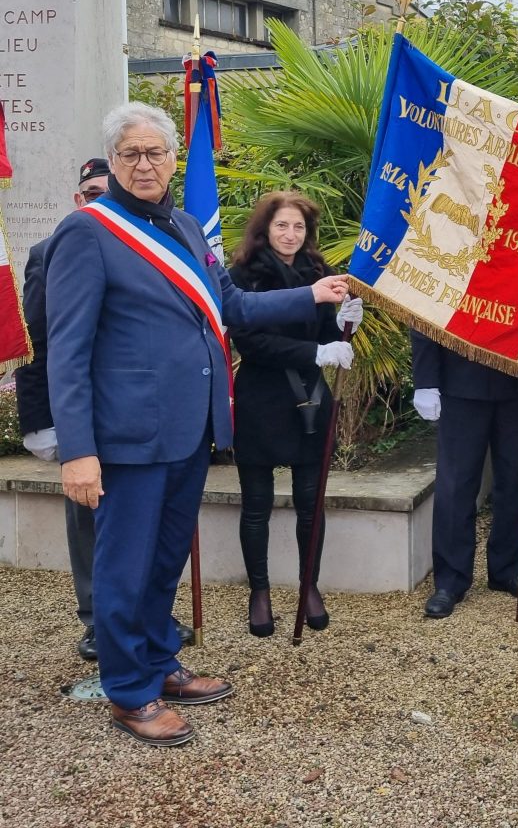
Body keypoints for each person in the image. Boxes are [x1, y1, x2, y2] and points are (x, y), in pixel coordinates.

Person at [45, 103, 349, 748]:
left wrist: (310, 294)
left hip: (188, 428)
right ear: (114, 160)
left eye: (156, 152)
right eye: (131, 153)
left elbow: (229, 303)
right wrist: (77, 450)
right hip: (128, 436)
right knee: (125, 567)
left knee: (163, 560)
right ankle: (129, 691)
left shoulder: (183, 225)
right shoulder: (88, 231)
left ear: (173, 159)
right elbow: (67, 350)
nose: (145, 164)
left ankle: (160, 662)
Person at [15, 157, 194, 661]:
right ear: (79, 199)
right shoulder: (53, 249)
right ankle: (98, 619)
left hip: (139, 417)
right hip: (83, 417)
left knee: (144, 533)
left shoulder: (159, 240)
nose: (100, 200)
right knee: (92, 525)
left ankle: (147, 628)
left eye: (104, 191)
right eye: (91, 194)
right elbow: (43, 344)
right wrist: (43, 424)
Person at [229, 191, 363, 636]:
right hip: (261, 399)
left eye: (299, 227)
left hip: (309, 398)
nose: (290, 234)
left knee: (311, 501)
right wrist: (315, 351)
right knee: (257, 506)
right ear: (265, 228)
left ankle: (310, 585)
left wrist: (343, 326)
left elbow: (327, 335)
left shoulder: (317, 272)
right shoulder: (243, 275)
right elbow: (250, 341)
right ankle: (259, 591)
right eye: (282, 225)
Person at [411, 334, 518, 618]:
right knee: (456, 486)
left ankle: (508, 569)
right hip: (461, 376)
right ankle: (450, 580)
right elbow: (426, 313)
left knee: (516, 482)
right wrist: (425, 381)